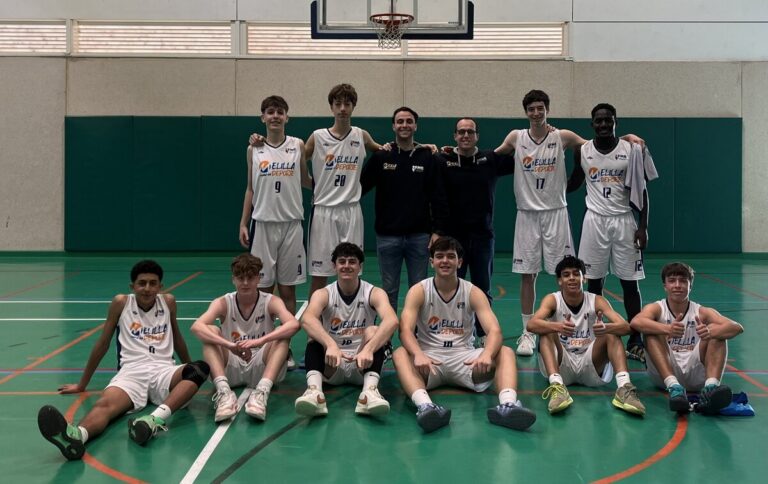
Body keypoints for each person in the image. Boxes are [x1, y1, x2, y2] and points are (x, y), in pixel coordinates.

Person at [495, 90, 643, 358]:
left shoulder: (562, 136)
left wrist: (626, 139)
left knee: (562, 274)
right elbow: (492, 157)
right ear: (526, 111)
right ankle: (528, 333)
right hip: (526, 213)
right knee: (527, 275)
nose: (536, 113)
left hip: (556, 213)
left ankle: (559, 328)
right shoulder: (515, 137)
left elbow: (599, 144)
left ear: (548, 110)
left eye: (541, 108)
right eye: (532, 109)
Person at [37, 260, 209, 460]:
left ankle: (153, 420)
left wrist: (188, 372)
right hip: (131, 373)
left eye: (153, 283)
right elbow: (103, 344)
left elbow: (177, 338)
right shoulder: (121, 303)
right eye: (141, 283)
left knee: (199, 369)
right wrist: (82, 384)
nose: (147, 288)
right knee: (105, 405)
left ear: (161, 287)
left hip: (164, 371)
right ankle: (77, 437)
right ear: (132, 286)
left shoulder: (168, 302)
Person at [252, 84, 383, 301]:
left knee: (352, 272)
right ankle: (315, 321)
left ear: (353, 107)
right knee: (320, 275)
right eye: (338, 104)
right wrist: (260, 142)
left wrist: (422, 145)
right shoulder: (318, 137)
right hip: (323, 212)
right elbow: (286, 161)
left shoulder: (361, 136)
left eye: (347, 104)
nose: (342, 108)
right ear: (331, 107)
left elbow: (388, 150)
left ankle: (351, 318)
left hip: (351, 211)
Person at [392, 236, 536, 433]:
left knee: (505, 352)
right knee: (401, 353)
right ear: (431, 261)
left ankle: (508, 405)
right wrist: (418, 354)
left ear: (459, 262)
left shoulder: (472, 292)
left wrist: (486, 354)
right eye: (439, 256)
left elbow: (494, 330)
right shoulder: (419, 291)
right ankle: (426, 407)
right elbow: (405, 330)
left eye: (451, 257)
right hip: (429, 360)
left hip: (466, 360)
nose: (445, 261)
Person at [568, 103, 658, 363]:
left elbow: (641, 191)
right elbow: (575, 181)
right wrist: (551, 186)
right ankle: (597, 334)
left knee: (630, 282)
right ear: (592, 124)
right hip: (594, 222)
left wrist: (643, 226)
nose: (604, 124)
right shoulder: (582, 151)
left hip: (624, 221)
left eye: (608, 120)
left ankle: (635, 339)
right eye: (599, 121)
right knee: (594, 283)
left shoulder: (630, 149)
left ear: (616, 121)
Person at [527, 256, 645, 416]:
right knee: (546, 330)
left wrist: (606, 327)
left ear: (584, 279)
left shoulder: (596, 300)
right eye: (566, 274)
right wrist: (558, 326)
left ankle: (624, 388)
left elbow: (626, 327)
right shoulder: (553, 299)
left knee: (611, 334)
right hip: (562, 363)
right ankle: (557, 387)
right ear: (559, 281)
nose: (572, 278)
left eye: (576, 274)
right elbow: (531, 325)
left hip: (591, 363)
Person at [190, 254, 300, 422]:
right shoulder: (223, 302)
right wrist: (229, 345)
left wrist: (260, 341)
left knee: (282, 335)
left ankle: (262, 392)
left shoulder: (271, 301)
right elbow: (196, 327)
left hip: (262, 365)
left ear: (258, 278)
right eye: (240, 278)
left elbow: (294, 325)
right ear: (233, 279)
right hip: (231, 365)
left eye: (250, 278)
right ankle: (224, 392)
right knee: (210, 331)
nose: (245, 283)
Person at [432, 118, 515, 339]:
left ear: (477, 135)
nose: (465, 135)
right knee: (450, 288)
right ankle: (450, 331)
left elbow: (525, 155)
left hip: (482, 236)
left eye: (470, 132)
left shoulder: (490, 160)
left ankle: (483, 333)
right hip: (452, 239)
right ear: (455, 136)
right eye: (461, 132)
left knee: (482, 288)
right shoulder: (442, 160)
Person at [294, 242, 399, 418]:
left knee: (374, 331)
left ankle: (369, 393)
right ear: (334, 266)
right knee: (313, 336)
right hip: (332, 363)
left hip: (362, 362)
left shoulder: (373, 292)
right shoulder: (323, 293)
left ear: (360, 266)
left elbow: (392, 321)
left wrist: (368, 349)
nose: (346, 266)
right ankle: (315, 392)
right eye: (342, 262)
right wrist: (330, 345)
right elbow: (307, 319)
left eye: (352, 262)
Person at [630, 262, 744, 414]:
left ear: (690, 286)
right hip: (663, 375)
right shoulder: (657, 308)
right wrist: (667, 329)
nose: (677, 285)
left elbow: (736, 327)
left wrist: (710, 331)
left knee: (718, 334)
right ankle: (674, 387)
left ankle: (710, 388)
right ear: (665, 286)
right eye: (672, 281)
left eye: (683, 281)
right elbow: (636, 322)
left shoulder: (701, 311)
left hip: (695, 375)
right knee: (651, 331)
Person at [361, 106, 440, 310]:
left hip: (419, 237)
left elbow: (437, 196)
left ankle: (415, 335)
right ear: (393, 126)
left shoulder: (427, 156)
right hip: (388, 237)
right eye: (400, 121)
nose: (404, 125)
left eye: (408, 121)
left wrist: (436, 231)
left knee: (418, 290)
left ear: (415, 126)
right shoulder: (381, 157)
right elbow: (358, 187)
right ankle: (386, 339)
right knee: (389, 291)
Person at [239, 95, 311, 317]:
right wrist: (243, 223)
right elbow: (250, 189)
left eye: (280, 112)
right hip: (262, 225)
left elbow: (306, 180)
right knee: (263, 289)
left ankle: (285, 343)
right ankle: (263, 341)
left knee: (288, 290)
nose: (275, 116)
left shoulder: (297, 145)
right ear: (263, 117)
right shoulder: (253, 149)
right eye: (270, 112)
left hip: (291, 224)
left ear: (287, 118)